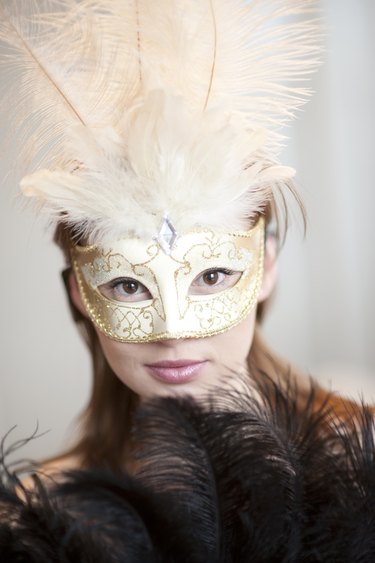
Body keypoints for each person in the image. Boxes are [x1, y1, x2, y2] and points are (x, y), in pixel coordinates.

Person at [0, 0, 370, 478]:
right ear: (80, 293)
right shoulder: (41, 510)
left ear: (267, 267)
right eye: (128, 285)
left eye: (212, 274)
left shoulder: (360, 457)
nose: (173, 331)